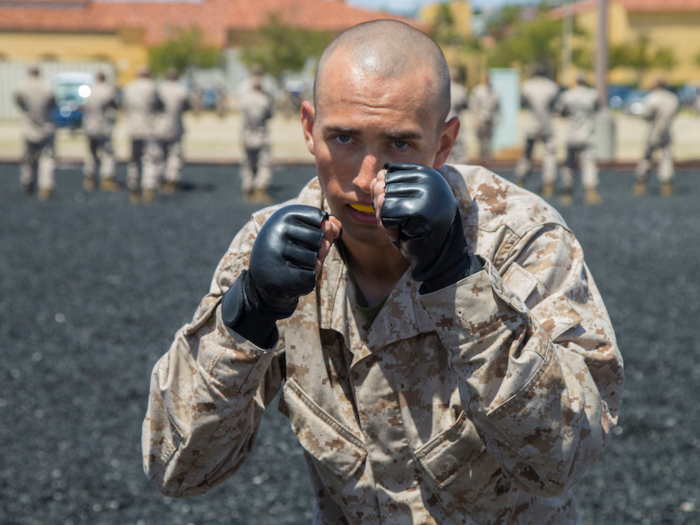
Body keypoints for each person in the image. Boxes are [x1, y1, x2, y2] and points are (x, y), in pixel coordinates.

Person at [142, 20, 623, 524]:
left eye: (399, 144)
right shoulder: (269, 251)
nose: (367, 178)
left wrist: (460, 282)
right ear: (309, 129)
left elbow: (565, 457)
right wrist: (247, 315)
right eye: (343, 138)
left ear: (443, 143)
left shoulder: (518, 238)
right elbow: (175, 468)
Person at [554, 73, 603, 206]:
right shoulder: (593, 94)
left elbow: (560, 112)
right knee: (589, 164)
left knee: (570, 165)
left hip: (572, 135)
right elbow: (597, 109)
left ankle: (567, 193)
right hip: (588, 134)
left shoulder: (567, 95)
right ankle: (591, 192)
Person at [514, 65, 561, 197]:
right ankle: (549, 185)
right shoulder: (552, 86)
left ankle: (520, 180)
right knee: (550, 156)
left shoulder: (527, 86)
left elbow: (522, 103)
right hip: (547, 126)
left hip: (531, 125)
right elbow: (556, 107)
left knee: (527, 155)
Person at [14, 65, 57, 200]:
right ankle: (46, 186)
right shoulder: (47, 87)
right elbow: (53, 105)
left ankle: (27, 183)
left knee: (28, 158)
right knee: (47, 158)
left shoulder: (21, 87)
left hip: (29, 128)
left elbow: (19, 103)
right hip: (46, 127)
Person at [634, 78, 679, 197]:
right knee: (667, 157)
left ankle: (640, 183)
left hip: (654, 131)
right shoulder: (672, 98)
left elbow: (647, 115)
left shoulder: (652, 98)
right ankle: (666, 185)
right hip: (666, 131)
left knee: (647, 157)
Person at [122, 66, 160, 204]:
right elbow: (159, 105)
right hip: (148, 127)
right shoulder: (152, 86)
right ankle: (148, 188)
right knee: (149, 159)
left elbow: (124, 105)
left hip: (133, 127)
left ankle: (133, 188)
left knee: (134, 159)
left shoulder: (129, 87)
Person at [239, 65, 275, 204]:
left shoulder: (242, 92)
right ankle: (260, 188)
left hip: (246, 134)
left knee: (248, 162)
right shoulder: (265, 96)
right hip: (260, 134)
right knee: (264, 162)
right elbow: (269, 114)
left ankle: (247, 186)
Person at [82, 71, 120, 193]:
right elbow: (115, 105)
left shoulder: (90, 90)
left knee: (91, 153)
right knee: (108, 154)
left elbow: (85, 105)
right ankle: (107, 179)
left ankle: (89, 178)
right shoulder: (108, 90)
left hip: (90, 126)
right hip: (103, 126)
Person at [154, 68, 190, 195]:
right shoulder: (182, 90)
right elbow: (187, 107)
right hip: (176, 127)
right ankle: (172, 181)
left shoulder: (159, 89)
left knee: (159, 154)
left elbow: (154, 106)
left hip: (160, 127)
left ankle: (159, 178)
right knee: (174, 154)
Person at [469, 74, 500, 160]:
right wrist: (475, 117)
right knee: (480, 138)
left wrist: (498, 118)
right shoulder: (478, 90)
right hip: (480, 117)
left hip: (490, 117)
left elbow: (497, 106)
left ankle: (487, 155)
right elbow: (473, 104)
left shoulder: (494, 91)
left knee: (489, 137)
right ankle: (481, 155)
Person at [446, 67, 469, 164]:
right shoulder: (461, 90)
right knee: (459, 149)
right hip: (456, 121)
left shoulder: (440, 88)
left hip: (442, 122)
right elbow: (466, 106)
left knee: (445, 148)